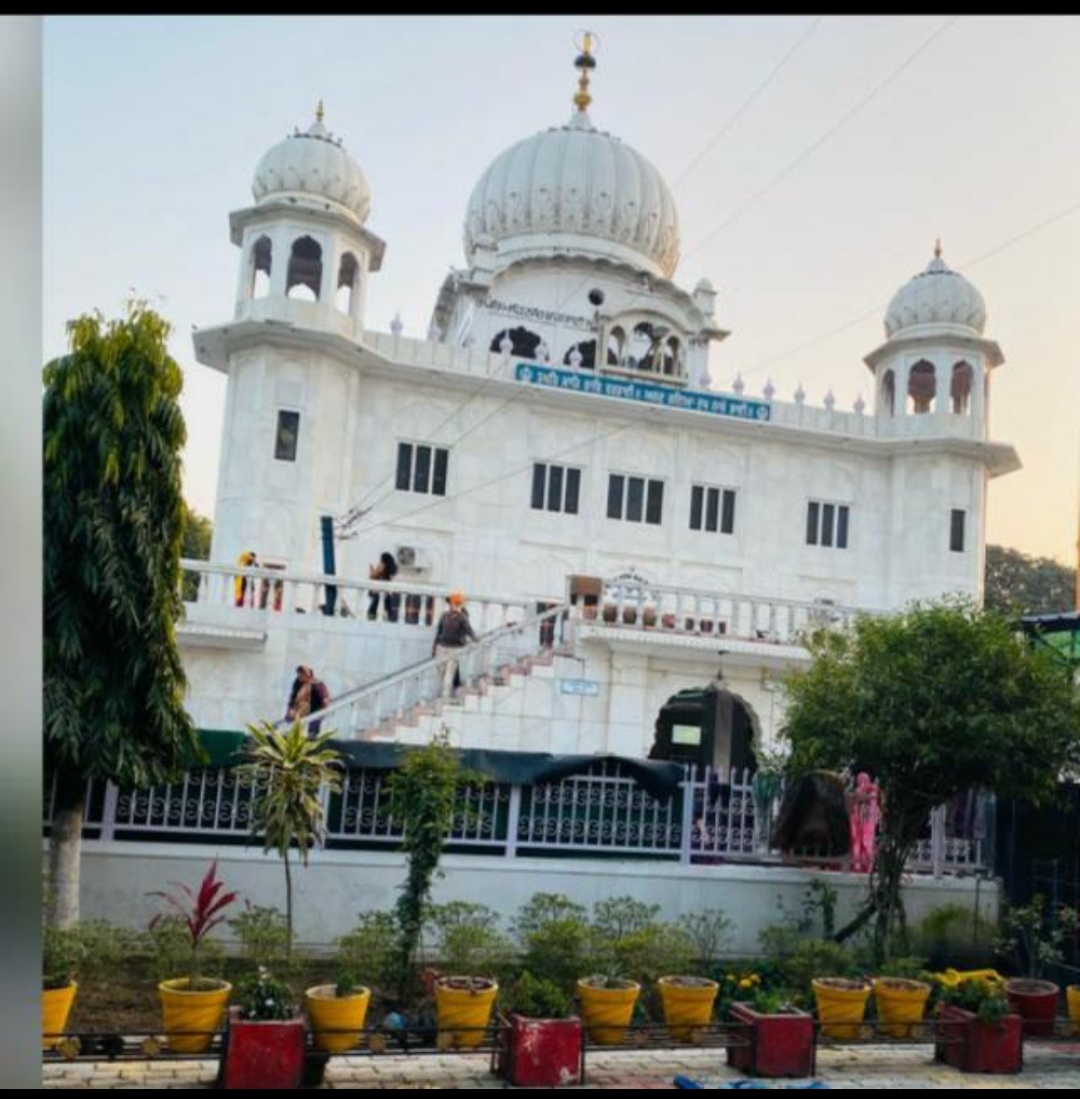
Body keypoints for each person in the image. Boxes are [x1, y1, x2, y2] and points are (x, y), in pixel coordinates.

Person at [432, 590, 477, 700]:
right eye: (454, 604)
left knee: (449, 672)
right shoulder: (444, 616)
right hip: (441, 647)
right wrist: (434, 648)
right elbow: (439, 632)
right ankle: (446, 691)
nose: (455, 606)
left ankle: (445, 696)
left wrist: (476, 639)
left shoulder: (462, 618)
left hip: (454, 648)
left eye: (458, 604)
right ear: (450, 604)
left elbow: (469, 630)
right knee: (442, 671)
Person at [285, 665, 331, 734]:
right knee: (292, 720)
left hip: (316, 708)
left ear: (308, 674)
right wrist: (290, 709)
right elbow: (293, 696)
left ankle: (312, 736)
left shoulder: (317, 683)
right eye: (299, 673)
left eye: (302, 673)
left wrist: (325, 705)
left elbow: (324, 696)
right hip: (303, 708)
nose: (300, 675)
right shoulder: (297, 683)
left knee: (313, 726)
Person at [367, 551, 400, 622]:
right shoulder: (393, 568)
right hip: (387, 593)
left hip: (379, 592)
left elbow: (373, 576)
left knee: (372, 612)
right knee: (387, 611)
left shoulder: (382, 565)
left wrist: (371, 569)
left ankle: (372, 616)